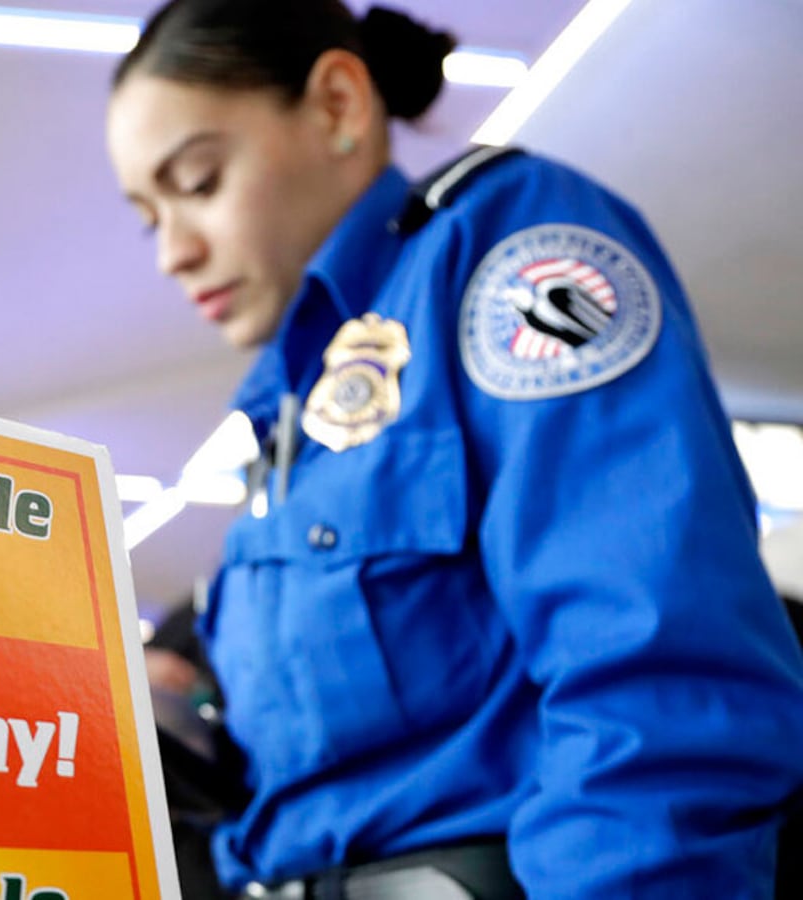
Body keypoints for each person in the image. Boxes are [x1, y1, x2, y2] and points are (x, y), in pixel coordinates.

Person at [103, 1, 803, 897]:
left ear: (338, 107)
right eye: (147, 217)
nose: (173, 252)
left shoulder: (502, 255)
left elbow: (654, 682)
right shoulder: (287, 424)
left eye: (198, 182)